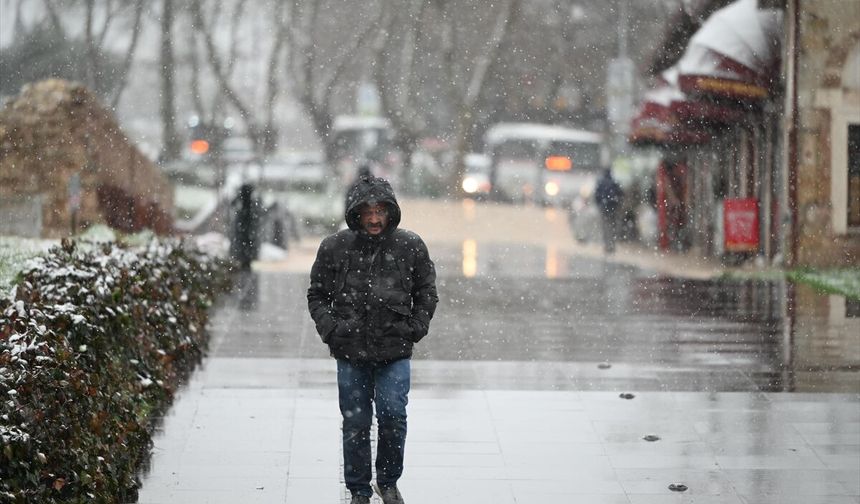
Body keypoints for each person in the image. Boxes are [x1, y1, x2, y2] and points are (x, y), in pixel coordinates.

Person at [307, 174, 438, 504]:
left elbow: (426, 291)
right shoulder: (334, 247)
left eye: (380, 211)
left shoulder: (410, 246)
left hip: (395, 349)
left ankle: (388, 482)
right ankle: (359, 490)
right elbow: (317, 295)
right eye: (368, 212)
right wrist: (332, 329)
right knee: (356, 422)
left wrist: (415, 327)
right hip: (350, 350)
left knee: (393, 416)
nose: (375, 218)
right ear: (357, 214)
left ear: (390, 212)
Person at [594, 168, 624, 254]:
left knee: (605, 227)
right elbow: (620, 194)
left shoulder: (601, 183)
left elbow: (597, 195)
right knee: (613, 226)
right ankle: (612, 245)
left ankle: (607, 245)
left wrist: (599, 204)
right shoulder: (614, 182)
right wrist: (618, 205)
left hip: (604, 208)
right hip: (613, 208)